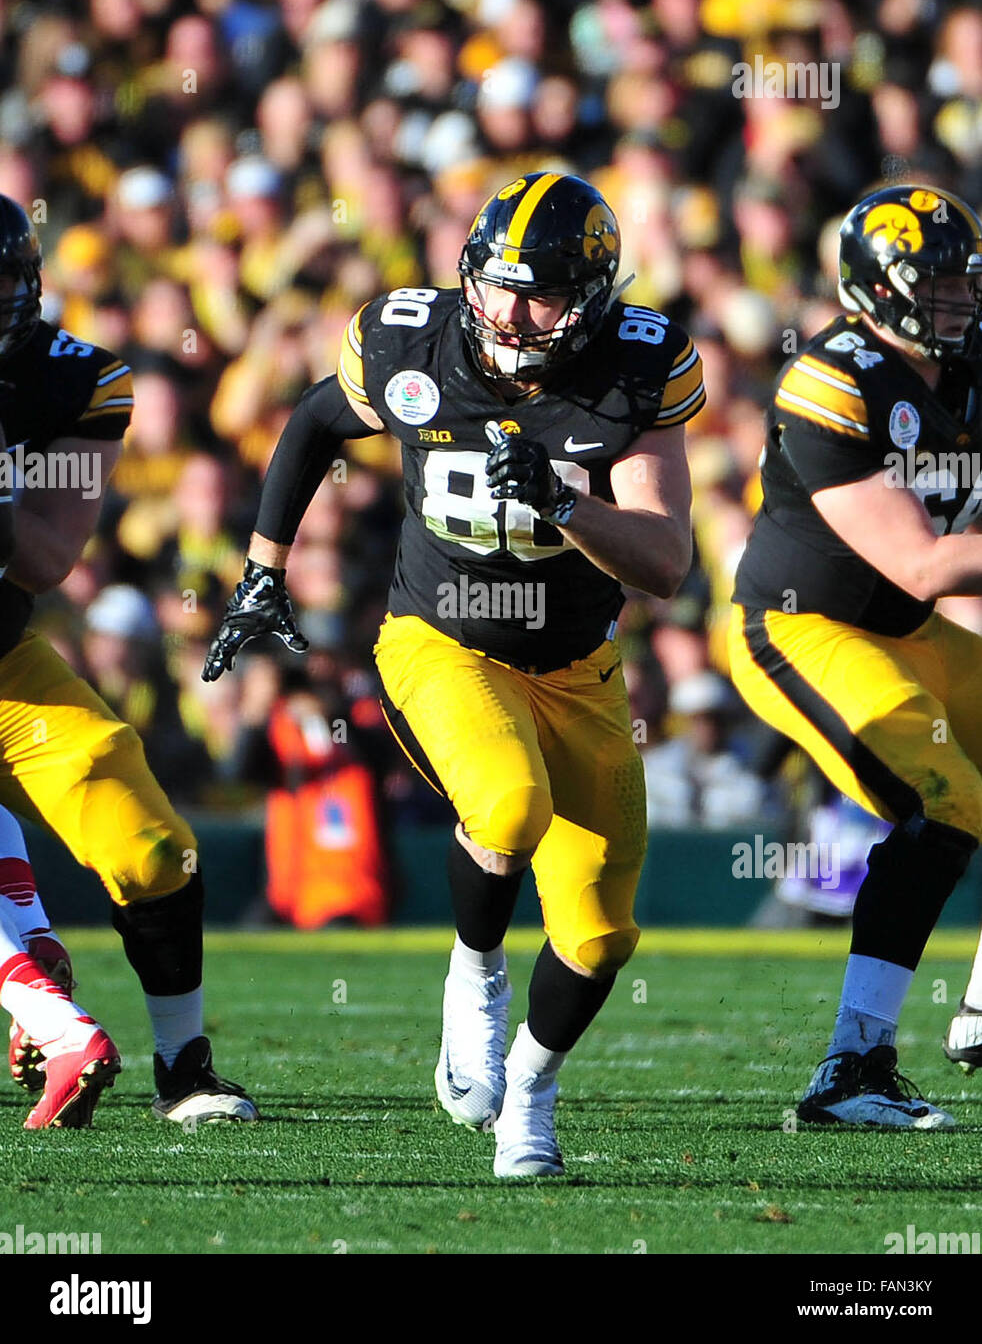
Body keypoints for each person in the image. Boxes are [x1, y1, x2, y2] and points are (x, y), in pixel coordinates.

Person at [204, 171, 703, 1176]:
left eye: (543, 295)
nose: (512, 316)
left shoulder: (634, 368)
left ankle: (530, 1093)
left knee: (603, 936)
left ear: (595, 297)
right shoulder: (410, 339)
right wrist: (262, 569)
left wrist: (567, 499)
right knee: (509, 804)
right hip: (443, 639)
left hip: (576, 665)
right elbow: (310, 424)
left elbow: (662, 561)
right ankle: (474, 976)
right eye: (497, 286)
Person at [728, 182, 982, 1127]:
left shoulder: (969, 361)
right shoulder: (833, 379)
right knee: (940, 801)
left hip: (918, 628)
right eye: (942, 283)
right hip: (806, 628)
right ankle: (852, 1070)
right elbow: (921, 563)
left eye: (967, 280)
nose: (961, 299)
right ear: (879, 289)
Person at [0, 195, 255, 1128]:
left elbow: (45, 558)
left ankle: (184, 1065)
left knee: (151, 842)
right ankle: (45, 993)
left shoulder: (75, 379)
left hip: (4, 663)